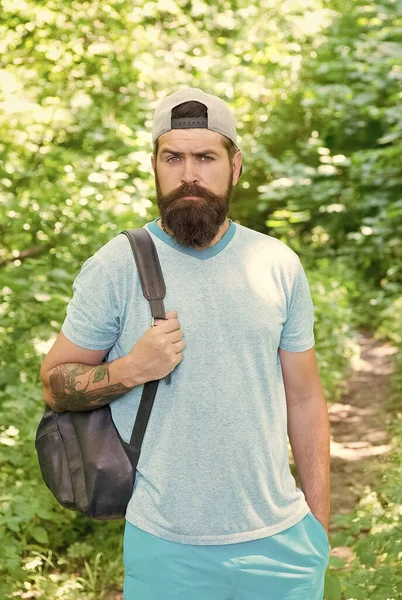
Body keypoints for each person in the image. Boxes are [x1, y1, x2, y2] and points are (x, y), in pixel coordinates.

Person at [40, 87, 331, 600]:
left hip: (283, 544)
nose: (188, 174)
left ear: (235, 166)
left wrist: (318, 529)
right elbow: (55, 386)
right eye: (173, 157)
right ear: (154, 165)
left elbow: (304, 399)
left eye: (205, 157)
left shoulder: (278, 265)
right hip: (164, 546)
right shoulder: (116, 265)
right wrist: (130, 368)